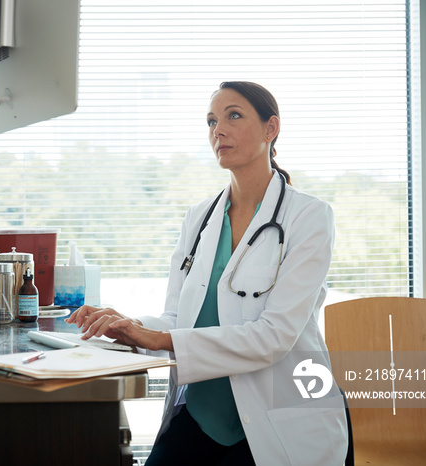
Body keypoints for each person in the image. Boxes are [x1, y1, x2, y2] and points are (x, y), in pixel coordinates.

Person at [66, 81, 348, 465]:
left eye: (234, 115)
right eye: (212, 120)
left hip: (278, 419)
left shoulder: (309, 217)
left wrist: (158, 337)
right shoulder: (199, 218)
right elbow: (177, 319)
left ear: (271, 128)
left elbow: (274, 337)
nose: (219, 129)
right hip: (201, 413)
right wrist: (127, 324)